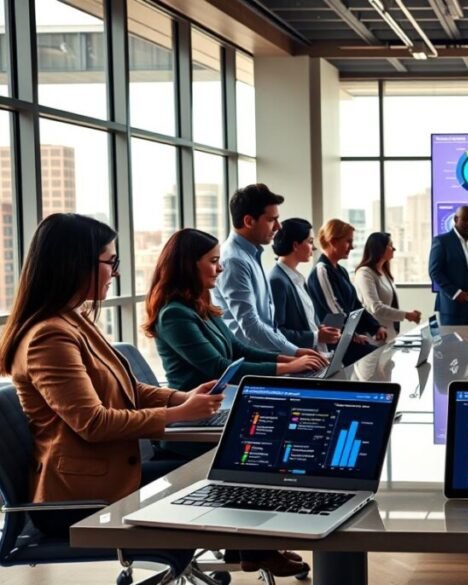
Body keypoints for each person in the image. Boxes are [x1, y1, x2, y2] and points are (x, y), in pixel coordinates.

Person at [0, 215, 308, 576]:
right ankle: (254, 547)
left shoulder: (75, 320)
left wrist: (181, 398)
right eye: (110, 262)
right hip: (82, 499)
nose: (115, 272)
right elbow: (93, 424)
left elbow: (130, 390)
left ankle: (253, 547)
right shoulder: (49, 337)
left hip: (111, 474)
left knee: (234, 465)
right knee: (231, 470)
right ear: (76, 262)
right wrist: (181, 414)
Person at [144, 229, 327, 393]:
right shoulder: (174, 315)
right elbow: (220, 368)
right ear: (188, 265)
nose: (220, 268)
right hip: (197, 407)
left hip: (223, 398)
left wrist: (291, 358)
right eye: (214, 261)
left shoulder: (200, 306)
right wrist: (289, 367)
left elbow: (238, 349)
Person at [212, 183, 323, 363]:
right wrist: (294, 352)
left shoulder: (251, 255)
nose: (278, 227)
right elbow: (250, 325)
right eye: (271, 220)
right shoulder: (234, 260)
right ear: (249, 221)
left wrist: (293, 351)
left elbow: (268, 323)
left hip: (265, 357)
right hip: (251, 364)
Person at [307, 219, 388, 362]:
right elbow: (335, 311)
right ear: (333, 241)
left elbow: (356, 305)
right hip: (336, 344)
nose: (352, 246)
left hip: (348, 339)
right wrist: (353, 336)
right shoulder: (322, 271)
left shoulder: (341, 270)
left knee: (382, 357)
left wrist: (375, 327)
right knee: (379, 359)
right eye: (348, 242)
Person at [268, 218, 342, 353]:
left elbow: (304, 321)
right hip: (297, 360)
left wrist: (319, 330)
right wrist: (316, 336)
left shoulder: (298, 277)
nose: (313, 247)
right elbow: (277, 332)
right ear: (295, 245)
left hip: (315, 355)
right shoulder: (277, 281)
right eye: (310, 241)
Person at [428, 205, 468, 326]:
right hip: (452, 308)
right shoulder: (442, 241)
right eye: (465, 219)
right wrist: (455, 293)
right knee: (452, 345)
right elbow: (435, 272)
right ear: (456, 219)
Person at [353, 232, 422, 340]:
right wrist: (407, 315)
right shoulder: (364, 273)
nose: (393, 249)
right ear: (380, 249)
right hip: (376, 335)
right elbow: (376, 307)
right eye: (390, 245)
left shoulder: (384, 272)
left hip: (389, 332)